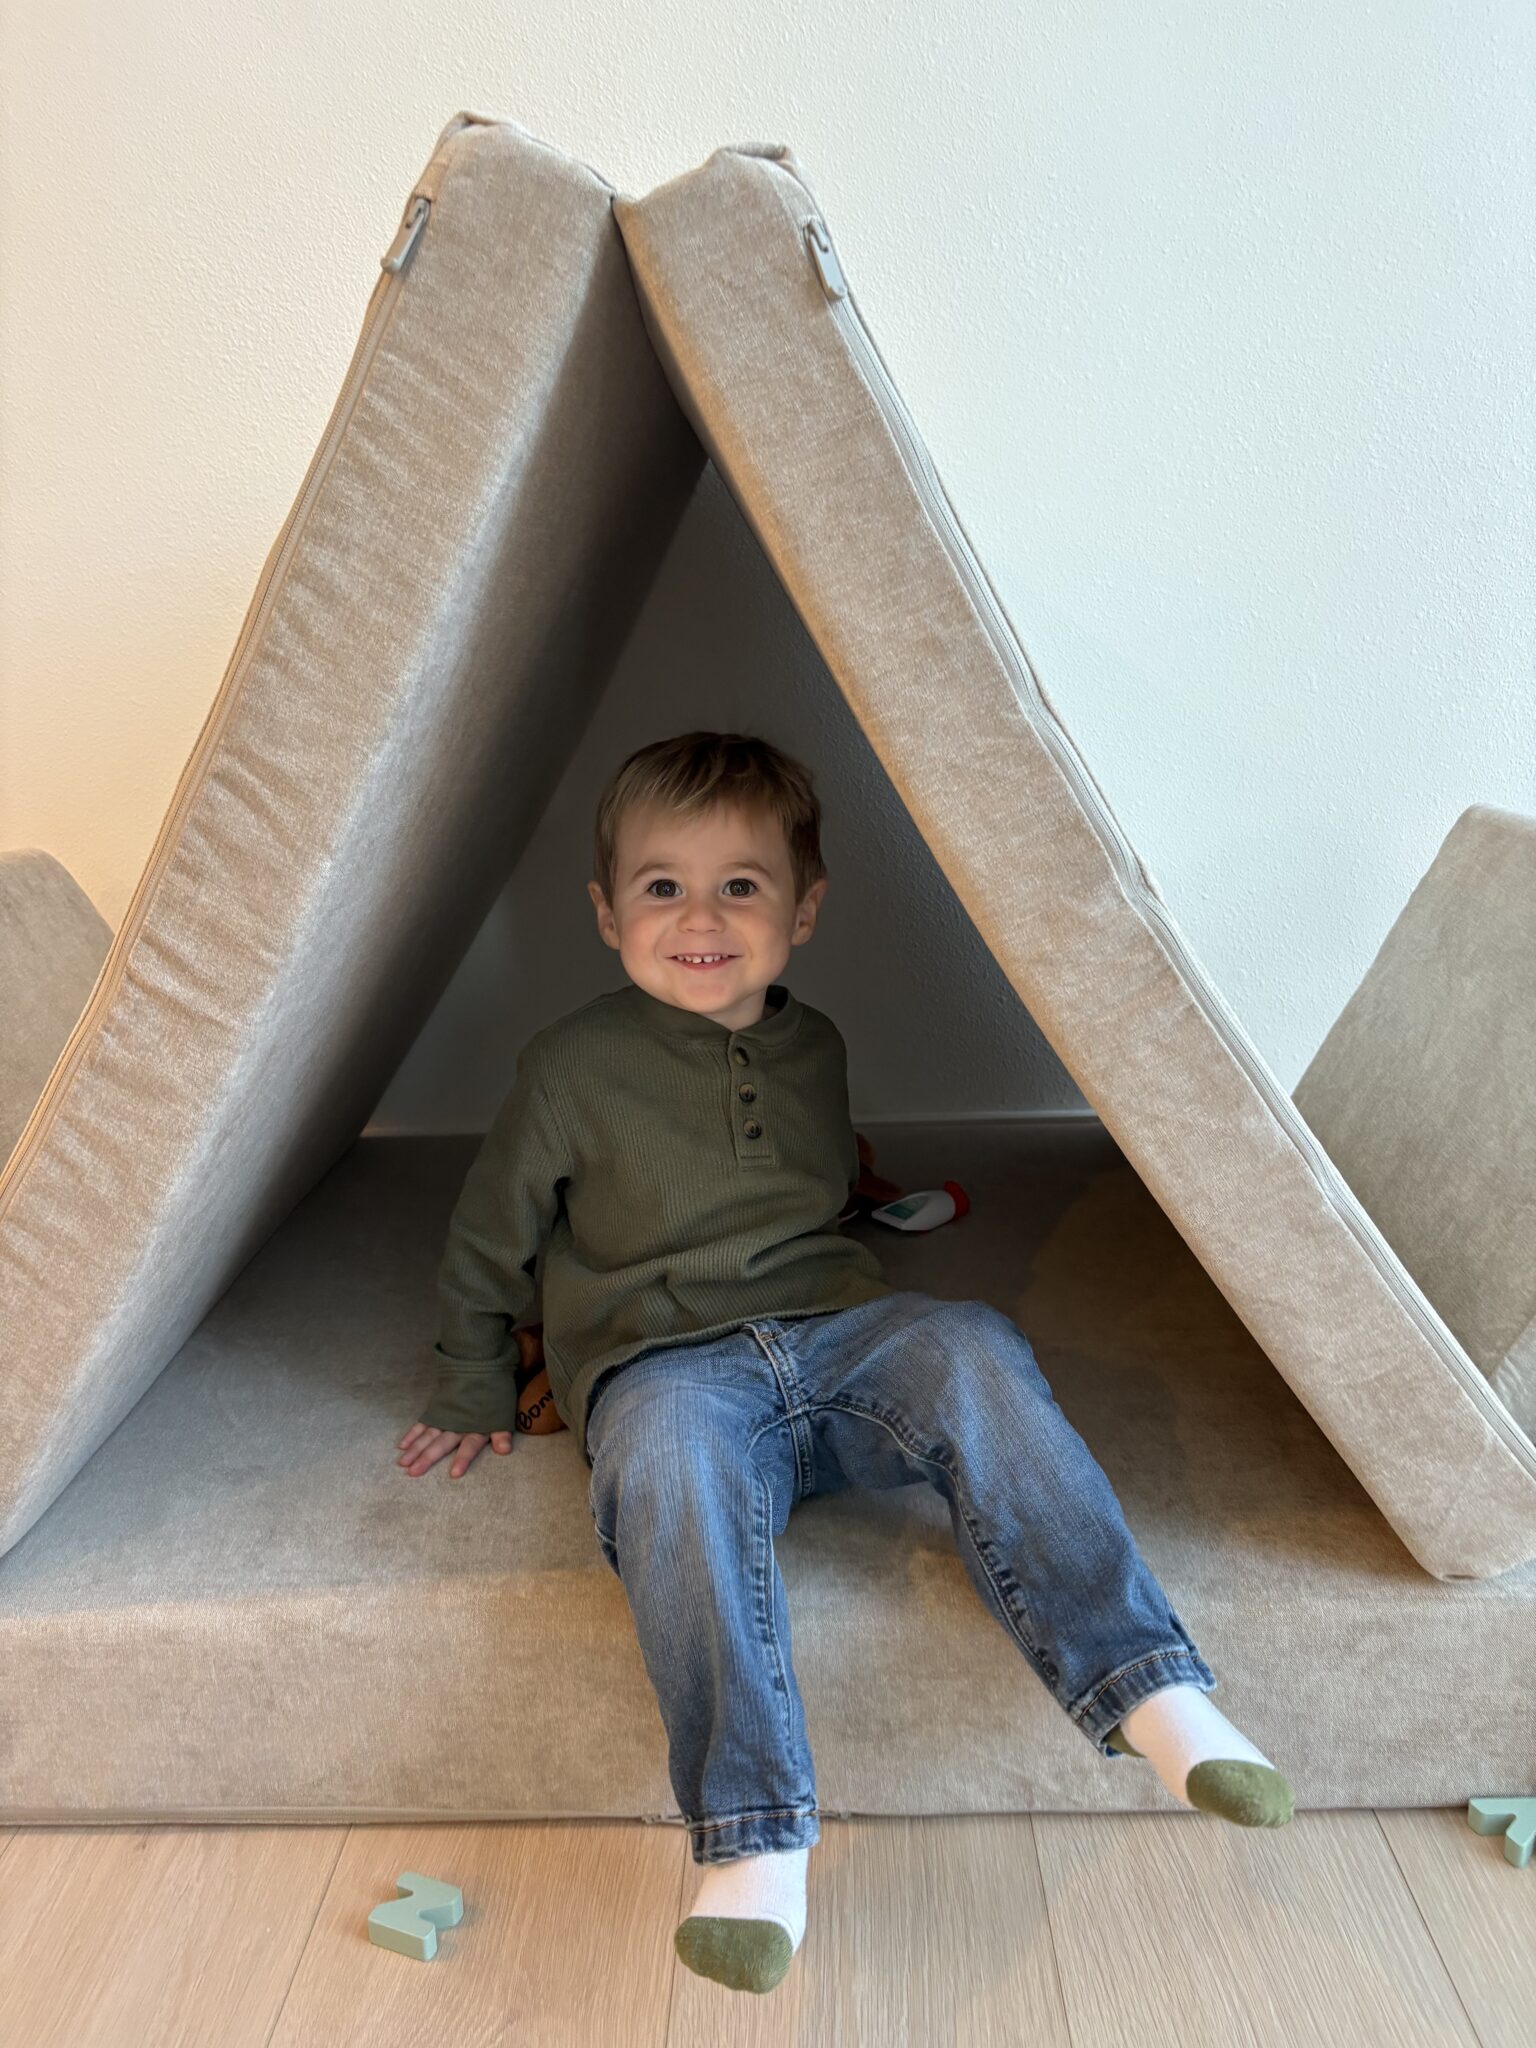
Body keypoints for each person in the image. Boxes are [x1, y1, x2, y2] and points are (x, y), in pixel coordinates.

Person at [394, 730, 1294, 1996]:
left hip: (835, 1333)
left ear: (803, 909)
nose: (700, 917)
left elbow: (798, 1177)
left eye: (741, 886)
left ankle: (1154, 1693)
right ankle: (756, 1840)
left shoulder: (813, 1045)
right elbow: (489, 1238)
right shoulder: (567, 1068)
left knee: (973, 1341)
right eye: (662, 886)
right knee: (665, 1463)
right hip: (671, 1366)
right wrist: (471, 1378)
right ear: (607, 913)